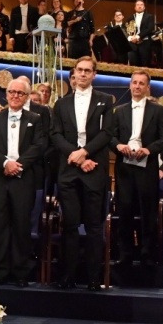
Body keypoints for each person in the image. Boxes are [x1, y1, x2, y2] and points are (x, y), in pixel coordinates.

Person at [50, 57, 114, 290]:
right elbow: (55, 135)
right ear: (74, 74)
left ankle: (94, 278)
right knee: (69, 225)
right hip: (69, 171)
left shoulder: (105, 101)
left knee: (94, 226)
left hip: (94, 170)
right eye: (80, 70)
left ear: (94, 75)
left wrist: (85, 153)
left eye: (88, 71)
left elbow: (107, 133)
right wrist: (77, 157)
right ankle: (67, 276)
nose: (84, 74)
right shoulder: (61, 103)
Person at [0, 77, 46, 286]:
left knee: (21, 225)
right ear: (6, 94)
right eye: (12, 92)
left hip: (23, 177)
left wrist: (18, 164)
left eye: (20, 93)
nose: (15, 96)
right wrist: (5, 163)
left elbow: (39, 145)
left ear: (27, 97)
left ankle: (21, 272)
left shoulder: (35, 119)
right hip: (0, 177)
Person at [109, 71, 163, 267]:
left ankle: (148, 254)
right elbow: (110, 136)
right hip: (124, 168)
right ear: (130, 85)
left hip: (147, 167)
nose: (137, 86)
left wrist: (149, 149)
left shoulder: (158, 110)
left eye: (142, 83)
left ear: (147, 87)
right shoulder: (120, 111)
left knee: (148, 212)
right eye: (134, 83)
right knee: (124, 211)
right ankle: (124, 254)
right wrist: (118, 146)